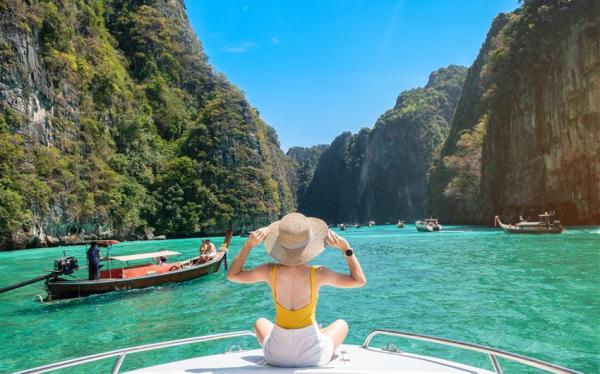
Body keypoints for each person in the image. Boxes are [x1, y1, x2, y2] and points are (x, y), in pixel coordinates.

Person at [227, 212, 367, 367]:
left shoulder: (268, 271)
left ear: (279, 244)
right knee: (342, 324)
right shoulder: (319, 274)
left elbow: (233, 275)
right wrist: (345, 248)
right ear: (310, 245)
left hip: (277, 356)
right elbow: (359, 280)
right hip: (314, 356)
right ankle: (316, 333)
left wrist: (248, 245)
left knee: (260, 322)